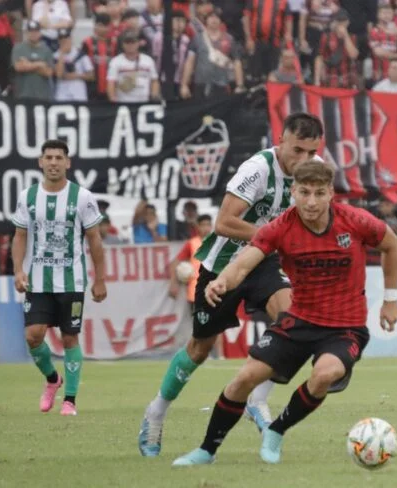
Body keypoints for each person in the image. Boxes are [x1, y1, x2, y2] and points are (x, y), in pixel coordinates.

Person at [171, 159, 397, 466]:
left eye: (319, 193)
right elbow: (243, 264)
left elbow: (392, 244)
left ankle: (277, 430)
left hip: (345, 327)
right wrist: (222, 281)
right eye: (304, 192)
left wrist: (390, 298)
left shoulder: (355, 220)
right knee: (244, 379)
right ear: (293, 191)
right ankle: (206, 451)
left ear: (331, 193)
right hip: (299, 321)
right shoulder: (280, 227)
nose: (311, 202)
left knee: (325, 374)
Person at [138, 112, 324, 457]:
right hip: (224, 263)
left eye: (311, 152)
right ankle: (157, 411)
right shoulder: (257, 169)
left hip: (265, 262)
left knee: (293, 322)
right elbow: (224, 222)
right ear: (281, 140)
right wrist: (276, 237)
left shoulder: (316, 170)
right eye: (297, 150)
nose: (304, 159)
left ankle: (258, 399)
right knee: (199, 349)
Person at [11, 139, 108, 417]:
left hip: (71, 280)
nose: (53, 162)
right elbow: (20, 235)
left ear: (68, 162)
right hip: (38, 280)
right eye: (49, 157)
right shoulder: (28, 196)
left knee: (69, 339)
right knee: (33, 336)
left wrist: (100, 279)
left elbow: (95, 239)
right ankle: (53, 379)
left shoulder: (83, 197)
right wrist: (18, 270)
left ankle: (70, 401)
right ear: (40, 162)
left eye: (58, 157)